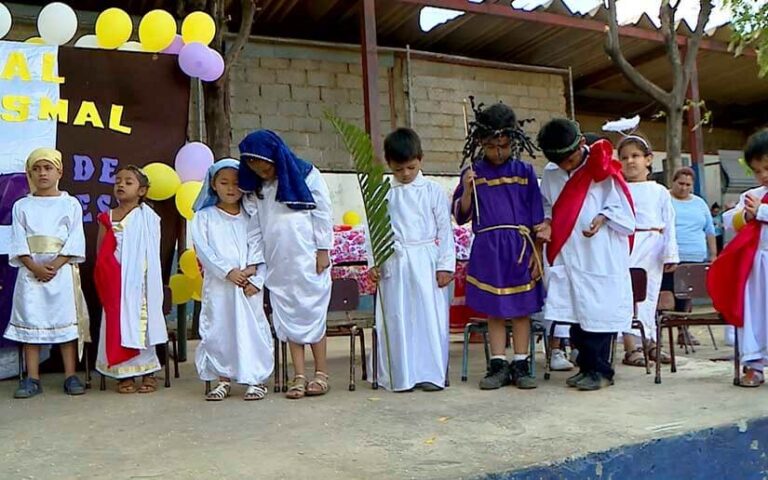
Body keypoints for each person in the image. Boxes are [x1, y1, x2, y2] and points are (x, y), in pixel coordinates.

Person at [452, 101, 547, 390]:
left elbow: (536, 218)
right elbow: (461, 215)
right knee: (495, 309)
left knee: (520, 309)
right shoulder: (473, 172)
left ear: (513, 141)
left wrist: (536, 254)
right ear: (480, 141)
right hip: (488, 247)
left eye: (504, 146)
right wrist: (467, 189)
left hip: (519, 245)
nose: (498, 152)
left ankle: (521, 363)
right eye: (493, 146)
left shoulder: (525, 172)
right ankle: (497, 364)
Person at [538, 119, 635, 391]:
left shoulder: (602, 171)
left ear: (582, 145)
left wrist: (604, 217)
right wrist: (546, 222)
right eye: (560, 163)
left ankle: (602, 371)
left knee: (598, 314)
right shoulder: (551, 173)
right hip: (568, 253)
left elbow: (625, 212)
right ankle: (586, 368)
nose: (566, 167)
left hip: (599, 254)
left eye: (569, 160)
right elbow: (547, 204)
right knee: (576, 316)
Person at [239, 130, 333, 399]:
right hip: (279, 262)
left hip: (308, 257)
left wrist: (323, 250)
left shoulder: (306, 174)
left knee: (313, 313)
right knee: (288, 316)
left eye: (264, 165)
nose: (260, 171)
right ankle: (299, 375)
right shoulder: (258, 189)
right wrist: (256, 262)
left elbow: (323, 212)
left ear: (275, 157)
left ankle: (321, 373)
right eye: (254, 167)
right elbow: (255, 228)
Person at [369, 128, 455, 392]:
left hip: (426, 259)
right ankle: (401, 375)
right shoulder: (383, 192)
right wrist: (374, 262)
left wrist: (445, 265)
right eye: (398, 169)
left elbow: (445, 229)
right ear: (389, 164)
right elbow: (374, 229)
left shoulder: (432, 190)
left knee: (429, 316)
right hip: (395, 260)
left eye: (411, 167)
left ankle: (431, 373)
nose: (405, 174)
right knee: (397, 316)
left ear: (420, 159)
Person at [4, 148, 89, 398]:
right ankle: (32, 378)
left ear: (59, 172)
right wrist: (34, 266)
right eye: (37, 169)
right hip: (31, 275)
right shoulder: (22, 206)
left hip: (60, 273)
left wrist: (57, 263)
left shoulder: (70, 203)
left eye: (47, 168)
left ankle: (70, 375)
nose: (42, 173)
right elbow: (19, 241)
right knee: (32, 321)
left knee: (64, 326)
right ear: (29, 173)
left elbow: (75, 238)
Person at [191, 159, 274, 401]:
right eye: (224, 182)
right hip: (220, 286)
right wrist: (228, 271)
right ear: (213, 185)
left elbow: (261, 249)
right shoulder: (204, 218)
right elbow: (204, 251)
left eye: (237, 183)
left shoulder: (252, 217)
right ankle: (223, 379)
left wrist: (256, 279)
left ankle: (255, 379)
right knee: (220, 329)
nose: (230, 188)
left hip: (248, 289)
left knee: (252, 330)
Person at [94, 166, 167, 393]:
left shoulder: (149, 218)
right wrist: (110, 274)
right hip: (115, 281)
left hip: (141, 283)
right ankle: (123, 374)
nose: (121, 185)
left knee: (142, 323)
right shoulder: (107, 217)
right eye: (118, 181)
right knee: (117, 324)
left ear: (142, 190)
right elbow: (101, 250)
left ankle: (147, 372)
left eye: (128, 181)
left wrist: (141, 279)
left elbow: (152, 253)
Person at [708, 129, 768, 387]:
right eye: (757, 170)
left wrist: (762, 211)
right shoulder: (751, 195)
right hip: (756, 268)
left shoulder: (759, 202)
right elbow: (729, 221)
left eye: (767, 167)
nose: (763, 175)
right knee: (755, 315)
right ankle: (753, 366)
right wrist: (747, 215)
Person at [616, 135, 678, 367]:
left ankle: (650, 341)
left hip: (654, 246)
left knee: (650, 296)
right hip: (627, 244)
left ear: (648, 159)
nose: (630, 161)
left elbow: (669, 222)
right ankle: (632, 347)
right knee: (629, 296)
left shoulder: (660, 191)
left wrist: (671, 253)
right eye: (624, 157)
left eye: (636, 156)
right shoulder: (617, 189)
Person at [664, 167, 717, 346]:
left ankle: (683, 329)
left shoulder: (700, 203)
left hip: (695, 258)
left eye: (688, 185)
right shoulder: (665, 199)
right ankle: (659, 332)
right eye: (681, 184)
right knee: (667, 294)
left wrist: (714, 254)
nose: (684, 188)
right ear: (673, 182)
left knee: (686, 295)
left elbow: (710, 230)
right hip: (671, 258)